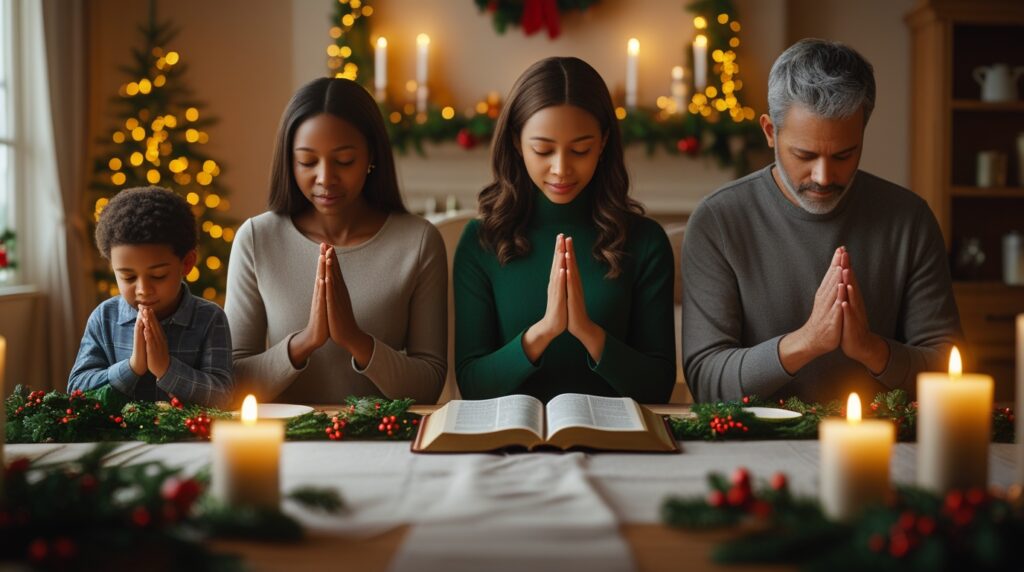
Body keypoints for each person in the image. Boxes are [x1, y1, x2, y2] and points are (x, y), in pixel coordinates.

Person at [681, 39, 960, 403]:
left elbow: (949, 370)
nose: (824, 176)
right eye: (804, 154)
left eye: (845, 154)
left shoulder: (909, 220)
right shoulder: (718, 220)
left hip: (887, 445)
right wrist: (807, 342)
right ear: (770, 132)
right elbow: (705, 380)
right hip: (755, 447)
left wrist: (871, 349)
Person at [454, 57, 676, 403]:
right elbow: (472, 385)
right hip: (510, 443)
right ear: (516, 141)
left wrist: (588, 333)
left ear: (603, 142)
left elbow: (659, 387)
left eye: (580, 150)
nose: (561, 169)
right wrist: (543, 332)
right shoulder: (481, 241)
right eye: (543, 150)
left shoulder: (645, 241)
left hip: (618, 446)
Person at [226, 77, 446, 405]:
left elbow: (429, 383)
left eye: (344, 161)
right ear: (289, 160)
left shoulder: (419, 241)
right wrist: (305, 342)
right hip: (284, 445)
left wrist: (356, 340)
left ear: (371, 156)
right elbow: (231, 381)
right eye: (307, 161)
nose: (325, 178)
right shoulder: (257, 239)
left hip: (384, 445)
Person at [68, 186, 233, 407]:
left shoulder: (210, 319)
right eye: (128, 277)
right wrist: (133, 366)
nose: (143, 289)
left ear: (187, 263)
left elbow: (224, 396)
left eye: (158, 275)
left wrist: (166, 368)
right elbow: (76, 390)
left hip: (188, 440)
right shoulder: (104, 317)